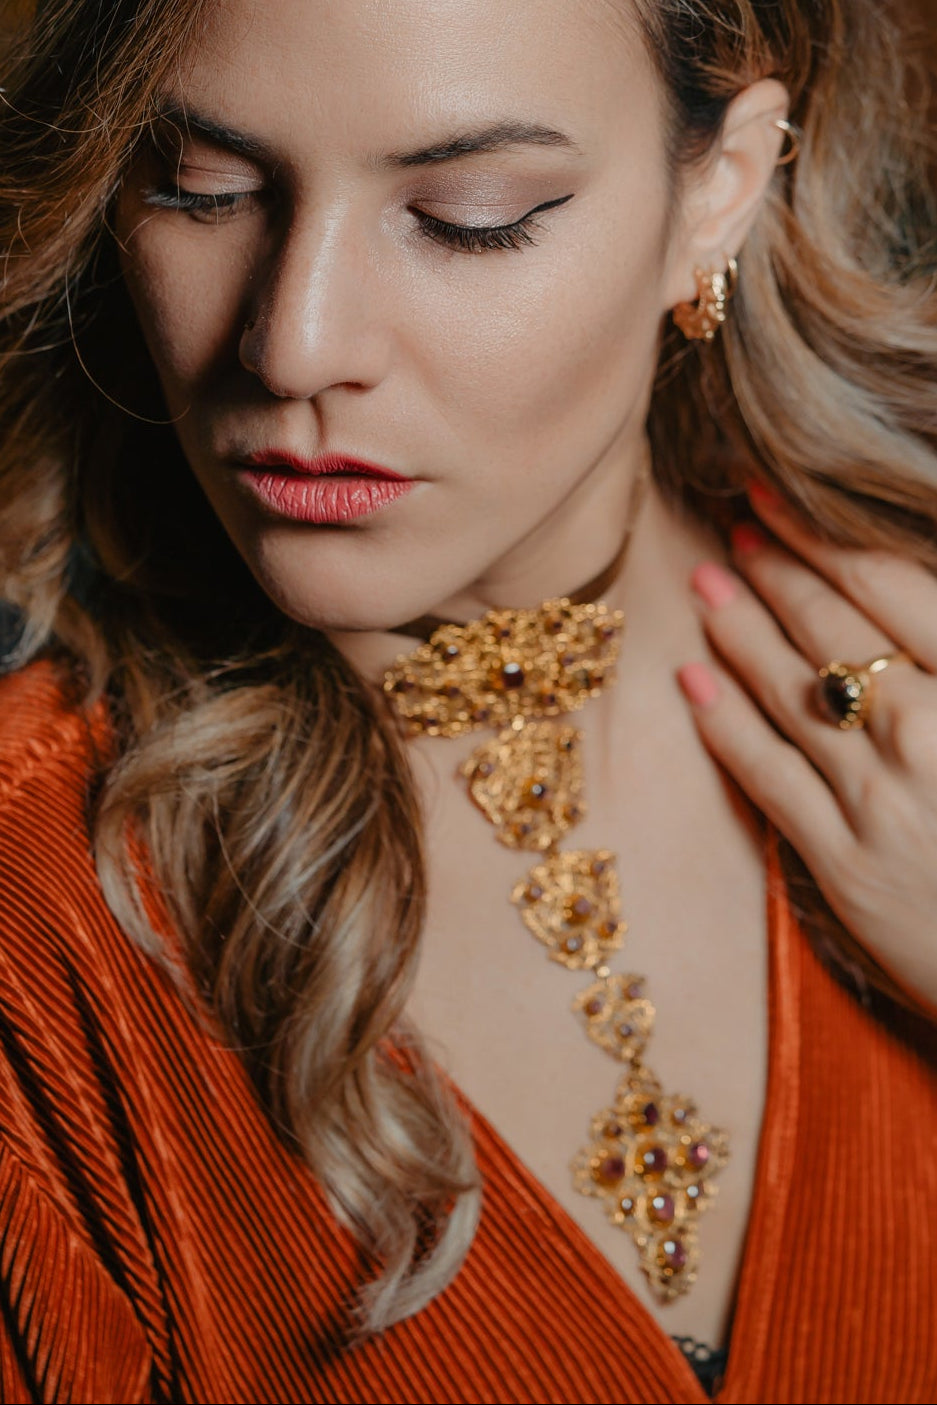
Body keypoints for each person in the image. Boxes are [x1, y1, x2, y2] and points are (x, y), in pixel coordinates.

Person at [0, 0, 935, 1400]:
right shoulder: (36, 923)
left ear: (720, 189)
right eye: (204, 188)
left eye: (468, 217)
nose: (294, 344)